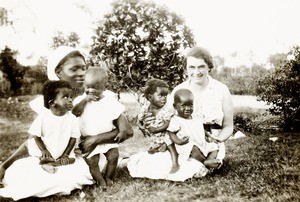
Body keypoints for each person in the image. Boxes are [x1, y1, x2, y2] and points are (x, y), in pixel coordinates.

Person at [0, 46, 133, 199]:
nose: (82, 73)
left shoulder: (99, 95)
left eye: (84, 68)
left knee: (63, 180)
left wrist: (96, 139)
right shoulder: (51, 103)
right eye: (74, 69)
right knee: (18, 171)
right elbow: (33, 140)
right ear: (58, 72)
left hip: (92, 156)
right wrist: (5, 165)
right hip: (61, 157)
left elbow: (127, 131)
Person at [126, 45, 233, 181]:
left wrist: (218, 139)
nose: (196, 72)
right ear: (186, 69)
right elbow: (166, 116)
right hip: (183, 141)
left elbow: (229, 126)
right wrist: (144, 122)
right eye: (191, 67)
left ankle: (207, 161)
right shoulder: (180, 89)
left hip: (210, 139)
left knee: (195, 166)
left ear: (209, 67)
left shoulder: (221, 90)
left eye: (201, 67)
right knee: (158, 165)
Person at [72, 66, 127, 187]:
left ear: (104, 87)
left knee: (113, 157)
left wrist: (122, 130)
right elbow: (75, 112)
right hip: (89, 139)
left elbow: (119, 114)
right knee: (92, 162)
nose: (91, 91)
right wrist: (85, 101)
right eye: (87, 87)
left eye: (95, 88)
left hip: (107, 138)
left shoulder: (110, 101)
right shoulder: (80, 100)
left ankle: (108, 177)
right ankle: (100, 180)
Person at [167, 88, 221, 169]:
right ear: (175, 106)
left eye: (190, 105)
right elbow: (171, 133)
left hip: (201, 143)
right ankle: (204, 162)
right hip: (187, 145)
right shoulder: (176, 120)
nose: (188, 108)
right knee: (193, 149)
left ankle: (210, 159)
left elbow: (201, 128)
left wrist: (209, 136)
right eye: (183, 105)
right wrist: (179, 141)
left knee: (215, 147)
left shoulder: (196, 117)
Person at [137, 79, 179, 173]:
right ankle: (157, 148)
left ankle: (175, 163)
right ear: (150, 97)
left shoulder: (166, 110)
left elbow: (167, 124)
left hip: (166, 133)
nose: (164, 98)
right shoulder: (145, 108)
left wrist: (156, 129)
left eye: (165, 96)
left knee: (170, 144)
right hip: (154, 135)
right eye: (160, 96)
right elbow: (139, 119)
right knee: (154, 142)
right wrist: (141, 126)